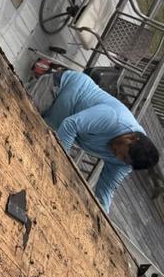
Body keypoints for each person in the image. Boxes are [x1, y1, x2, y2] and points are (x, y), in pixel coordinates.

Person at [36, 69, 160, 212]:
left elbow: (106, 189)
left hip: (54, 122)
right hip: (60, 89)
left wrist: (101, 217)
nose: (117, 156)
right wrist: (61, 163)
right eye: (123, 154)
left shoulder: (126, 162)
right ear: (131, 138)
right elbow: (70, 125)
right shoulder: (113, 118)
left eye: (124, 159)